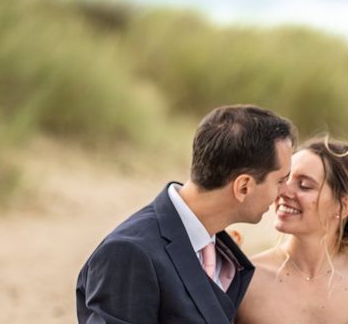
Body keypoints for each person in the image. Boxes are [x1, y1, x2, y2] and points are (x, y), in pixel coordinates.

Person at [76, 104, 296, 324]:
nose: (285, 192)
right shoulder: (130, 253)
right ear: (244, 187)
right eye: (280, 180)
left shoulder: (220, 248)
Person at [236, 138, 348, 324]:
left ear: (344, 206)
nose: (284, 191)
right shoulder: (247, 278)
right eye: (283, 179)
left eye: (304, 185)